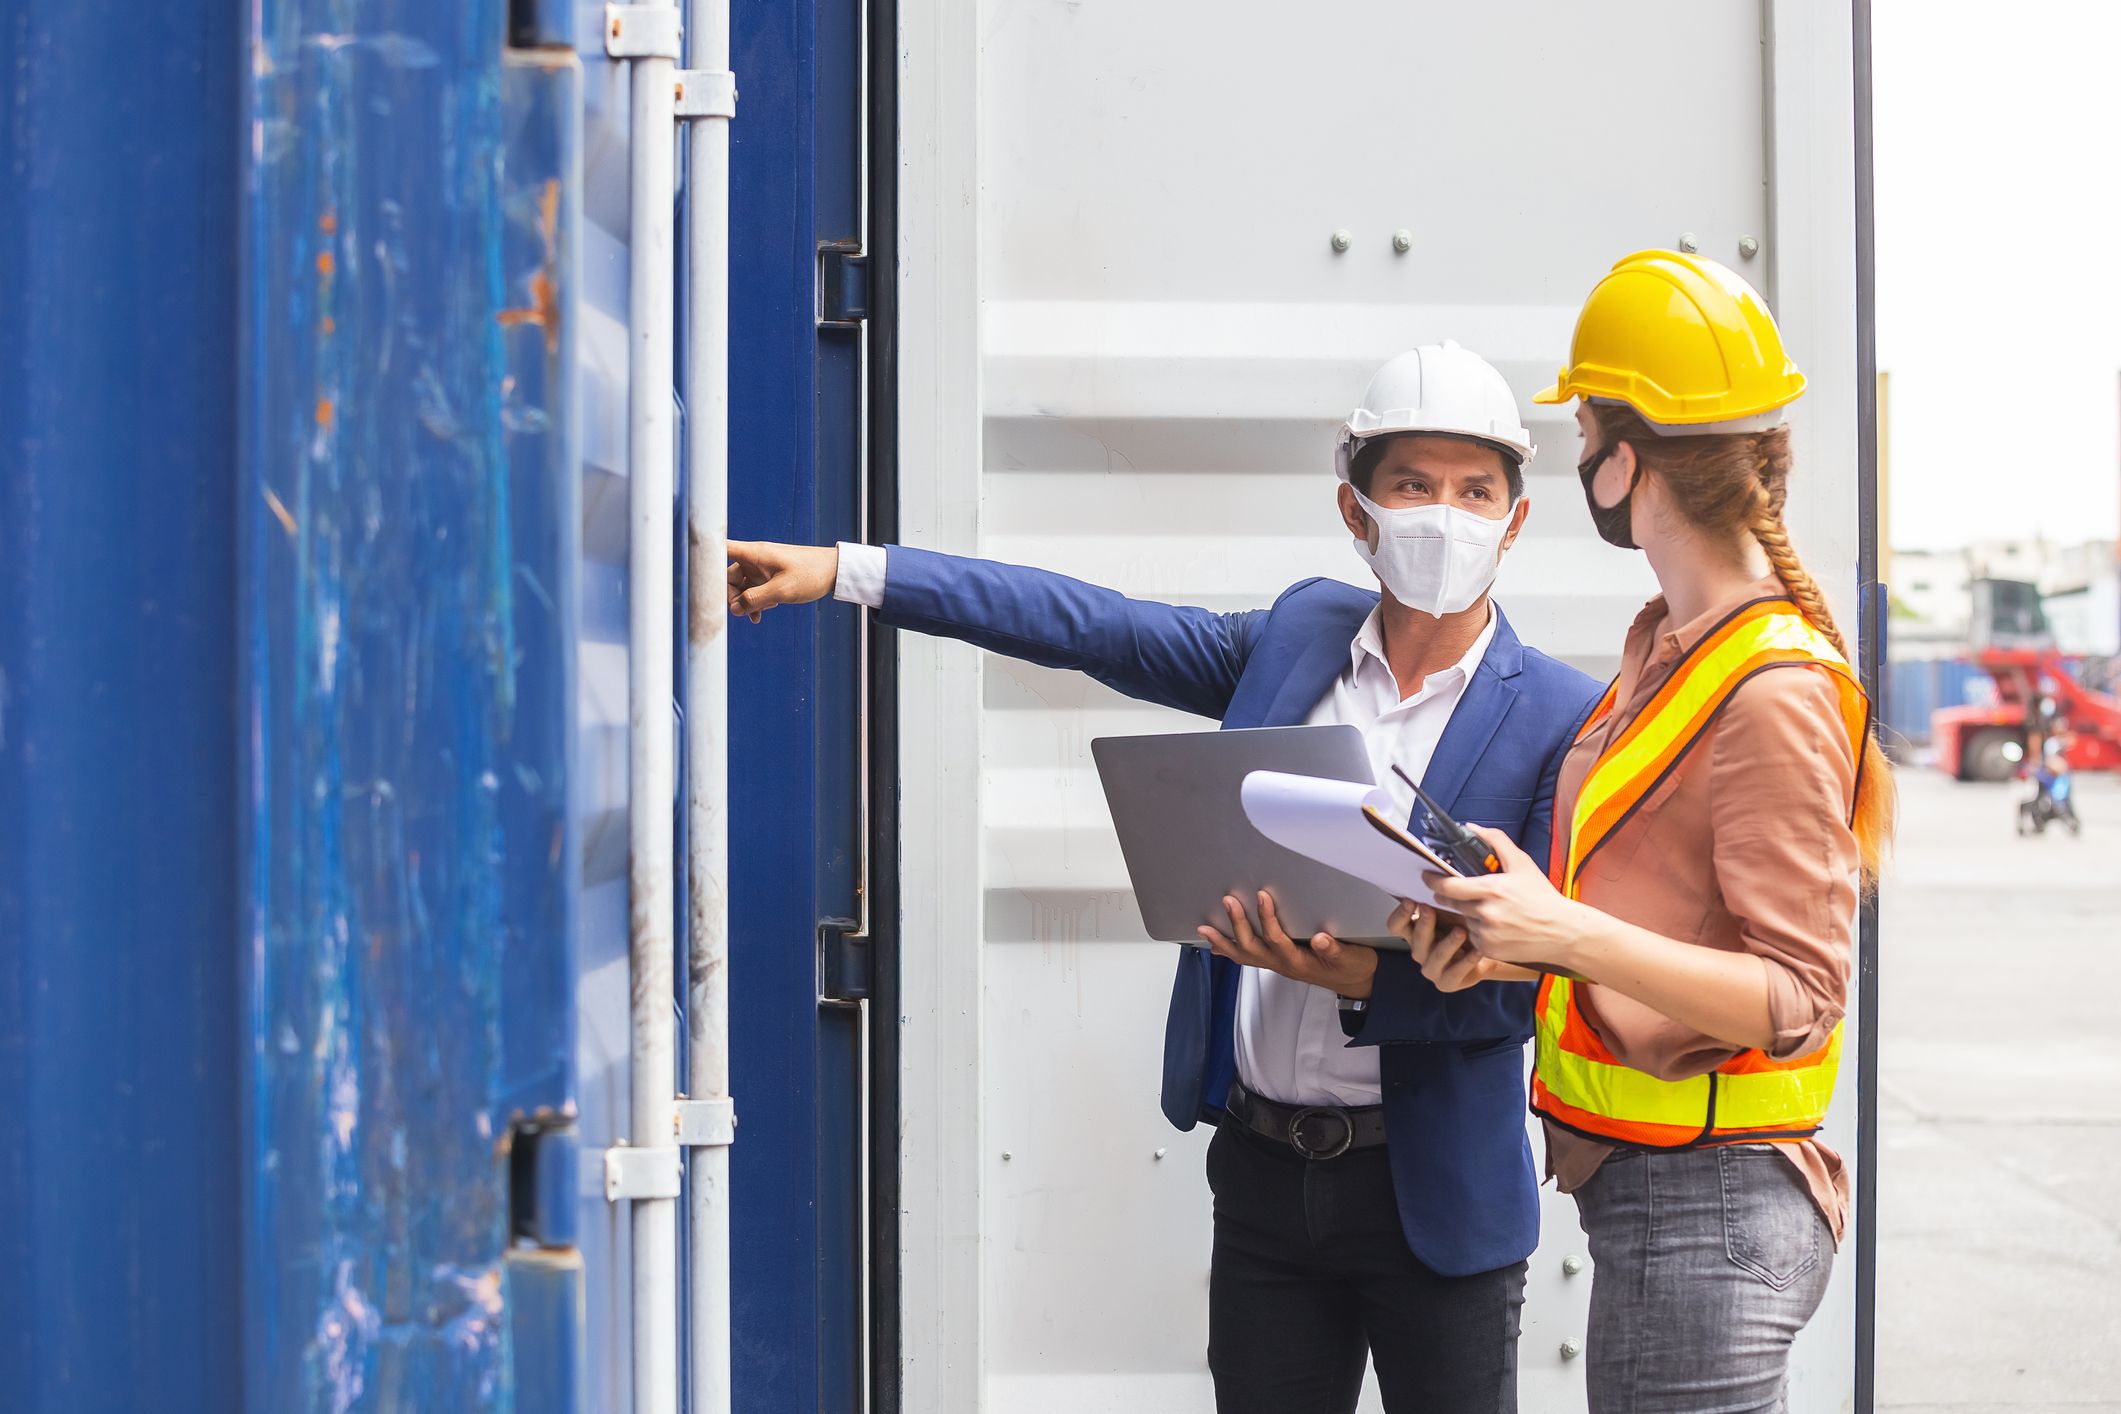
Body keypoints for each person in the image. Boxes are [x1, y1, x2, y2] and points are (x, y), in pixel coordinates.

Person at [727, 343, 1601, 1414]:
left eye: (1475, 491)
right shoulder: (1296, 636)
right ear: (1355, 509)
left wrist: (1359, 983)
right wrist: (848, 572)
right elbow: (1091, 625)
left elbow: (1537, 986)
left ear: (1515, 520)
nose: (1444, 517)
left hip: (1439, 1202)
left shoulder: (1561, 716)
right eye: (1413, 485)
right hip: (1269, 1181)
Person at [1394, 251, 1896, 1413]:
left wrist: (1563, 930)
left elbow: (1798, 993)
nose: (1579, 462)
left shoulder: (1769, 689)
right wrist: (1511, 926)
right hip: (1662, 1207)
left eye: (1584, 438)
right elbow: (1656, 906)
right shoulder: (1669, 651)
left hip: (1711, 1213)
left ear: (1625, 462)